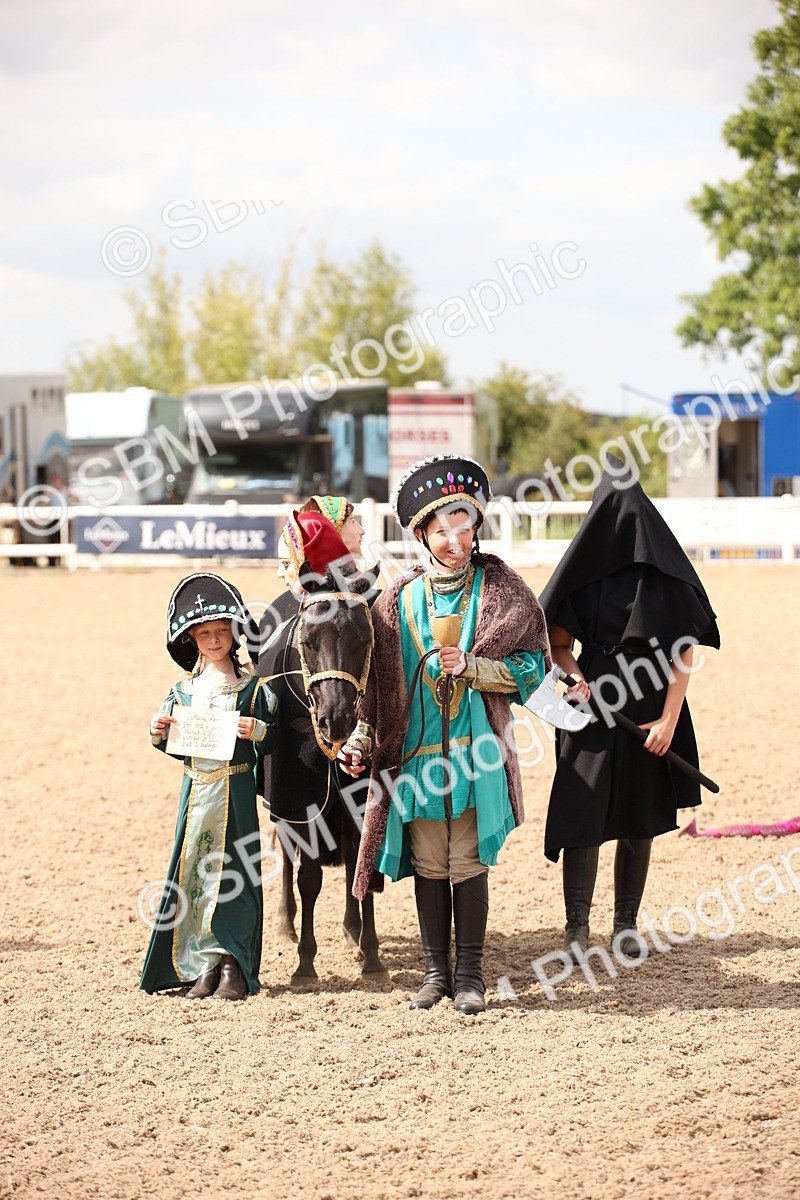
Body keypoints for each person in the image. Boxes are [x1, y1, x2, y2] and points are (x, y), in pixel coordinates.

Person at [341, 455, 551, 1015]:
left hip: (478, 753)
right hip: (414, 759)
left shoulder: (503, 589)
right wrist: (362, 739)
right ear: (422, 536)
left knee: (467, 861)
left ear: (477, 527)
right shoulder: (396, 601)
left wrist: (476, 669)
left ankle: (471, 976)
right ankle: (435, 974)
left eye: (465, 528)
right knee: (431, 862)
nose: (455, 540)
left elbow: (534, 666)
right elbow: (379, 689)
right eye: (442, 531)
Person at [539, 460, 720, 960]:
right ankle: (577, 928)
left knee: (639, 813)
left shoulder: (663, 574)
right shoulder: (583, 574)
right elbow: (558, 645)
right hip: (592, 706)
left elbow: (685, 651)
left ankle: (625, 926)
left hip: (649, 706)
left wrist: (668, 719)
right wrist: (575, 677)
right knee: (583, 810)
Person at [139, 573, 278, 1001]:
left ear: (233, 636)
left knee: (233, 872)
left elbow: (273, 740)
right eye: (204, 634)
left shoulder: (253, 688)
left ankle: (233, 962)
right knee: (195, 874)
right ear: (191, 639)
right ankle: (202, 963)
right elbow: (174, 746)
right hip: (195, 795)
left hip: (234, 795)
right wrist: (157, 730)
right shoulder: (181, 692)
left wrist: (257, 730)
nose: (214, 640)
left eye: (221, 632)